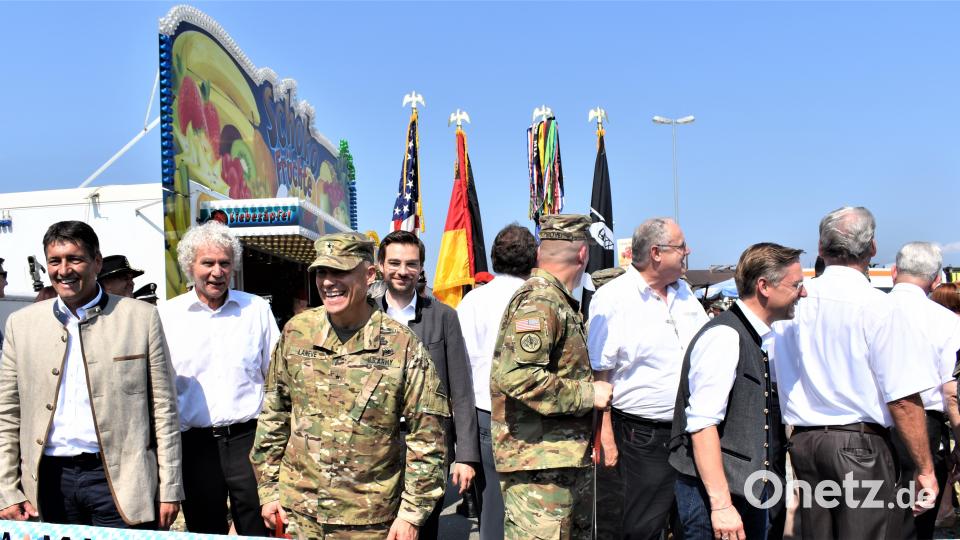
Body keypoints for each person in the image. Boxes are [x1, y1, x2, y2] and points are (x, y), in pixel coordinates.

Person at [251, 231, 449, 539]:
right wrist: (268, 490)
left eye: (340, 271)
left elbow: (428, 438)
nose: (328, 282)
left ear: (370, 274)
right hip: (299, 515)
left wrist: (411, 514)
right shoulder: (297, 332)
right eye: (322, 272)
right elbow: (274, 416)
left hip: (369, 521)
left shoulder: (401, 345)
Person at [0, 220, 181, 529]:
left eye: (75, 259)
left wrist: (170, 487)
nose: (64, 270)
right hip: (48, 482)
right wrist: (7, 489)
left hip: (121, 481)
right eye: (55, 261)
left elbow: (163, 409)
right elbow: (8, 413)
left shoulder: (140, 318)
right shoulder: (21, 324)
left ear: (96, 262)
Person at [773, 207, 941, 539]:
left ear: (820, 248)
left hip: (805, 442)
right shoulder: (879, 307)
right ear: (872, 249)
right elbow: (903, 398)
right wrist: (925, 468)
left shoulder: (792, 304)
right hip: (859, 445)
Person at [669, 243, 805, 540]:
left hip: (745, 495)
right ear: (764, 286)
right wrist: (721, 506)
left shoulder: (756, 337)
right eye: (796, 285)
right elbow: (703, 426)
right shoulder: (724, 337)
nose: (802, 293)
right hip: (718, 501)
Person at [491, 214, 613, 539]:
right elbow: (517, 376)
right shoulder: (541, 300)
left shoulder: (555, 300)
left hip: (556, 461)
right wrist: (590, 394)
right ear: (583, 254)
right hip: (538, 468)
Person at [588, 217, 710, 539]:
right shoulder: (614, 298)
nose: (689, 251)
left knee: (690, 522)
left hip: (690, 431)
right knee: (641, 527)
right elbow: (600, 373)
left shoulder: (685, 294)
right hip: (641, 438)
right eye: (682, 246)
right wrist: (606, 437)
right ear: (657, 253)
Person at [158, 222, 278, 536]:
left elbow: (277, 379)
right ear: (189, 266)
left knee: (258, 527)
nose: (217, 271)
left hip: (249, 442)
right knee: (204, 530)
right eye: (207, 263)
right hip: (194, 445)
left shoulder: (256, 310)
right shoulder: (167, 316)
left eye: (224, 263)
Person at [376, 230, 480, 540]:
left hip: (429, 449)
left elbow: (460, 389)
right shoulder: (366, 316)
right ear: (380, 265)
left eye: (412, 264)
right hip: (375, 449)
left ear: (421, 268)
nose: (402, 271)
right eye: (394, 263)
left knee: (422, 531)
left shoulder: (443, 318)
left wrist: (466, 456)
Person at [457, 223, 537, 540]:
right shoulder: (539, 299)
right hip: (531, 414)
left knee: (492, 504)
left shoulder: (472, 303)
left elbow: (459, 364)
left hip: (485, 413)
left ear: (493, 259)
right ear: (535, 258)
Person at [887, 242, 960, 540]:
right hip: (924, 431)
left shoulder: (866, 311)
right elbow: (951, 393)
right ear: (937, 279)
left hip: (867, 430)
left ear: (893, 272)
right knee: (916, 525)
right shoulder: (945, 321)